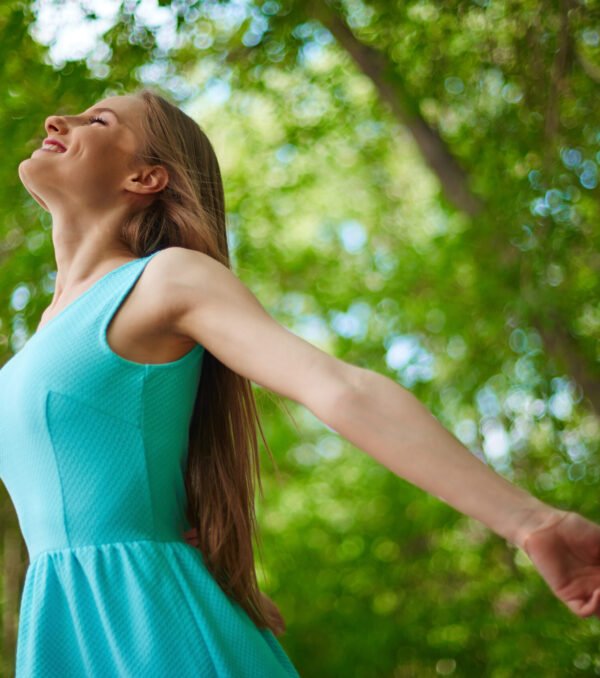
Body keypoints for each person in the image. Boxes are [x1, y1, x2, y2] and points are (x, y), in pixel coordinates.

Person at [5, 87, 599, 675]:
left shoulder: (166, 279)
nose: (61, 117)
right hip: (66, 626)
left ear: (147, 178)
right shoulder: (44, 337)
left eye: (99, 119)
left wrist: (530, 522)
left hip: (152, 627)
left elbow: (339, 387)